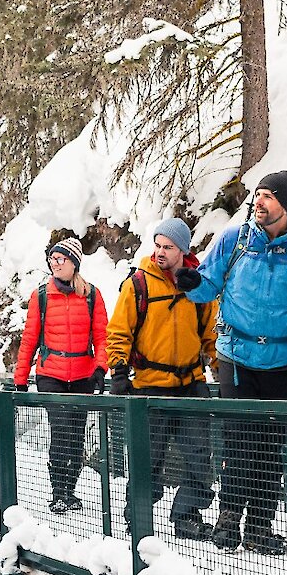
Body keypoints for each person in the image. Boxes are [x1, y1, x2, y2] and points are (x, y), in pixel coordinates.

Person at [178, 171, 287, 555]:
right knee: (239, 442)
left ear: (286, 205)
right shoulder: (235, 239)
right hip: (237, 357)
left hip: (280, 362)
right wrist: (191, 283)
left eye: (268, 196)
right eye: (257, 194)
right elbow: (210, 285)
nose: (258, 202)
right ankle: (228, 521)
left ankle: (259, 527)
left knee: (271, 447)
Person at [104, 217, 219, 540]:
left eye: (168, 247)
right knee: (147, 456)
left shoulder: (198, 287)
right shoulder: (138, 284)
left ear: (183, 250)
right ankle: (137, 516)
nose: (160, 252)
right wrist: (118, 371)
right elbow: (119, 330)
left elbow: (211, 333)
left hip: (190, 383)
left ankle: (187, 516)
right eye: (157, 245)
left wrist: (220, 368)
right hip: (149, 386)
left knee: (199, 454)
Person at [14, 236, 108, 514]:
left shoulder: (91, 295)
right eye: (52, 259)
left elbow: (102, 336)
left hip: (82, 375)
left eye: (60, 259)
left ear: (74, 263)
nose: (54, 264)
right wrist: (20, 379)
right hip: (51, 374)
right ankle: (58, 491)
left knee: (76, 434)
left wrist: (101, 368)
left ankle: (70, 491)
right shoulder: (41, 296)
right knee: (62, 429)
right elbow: (29, 339)